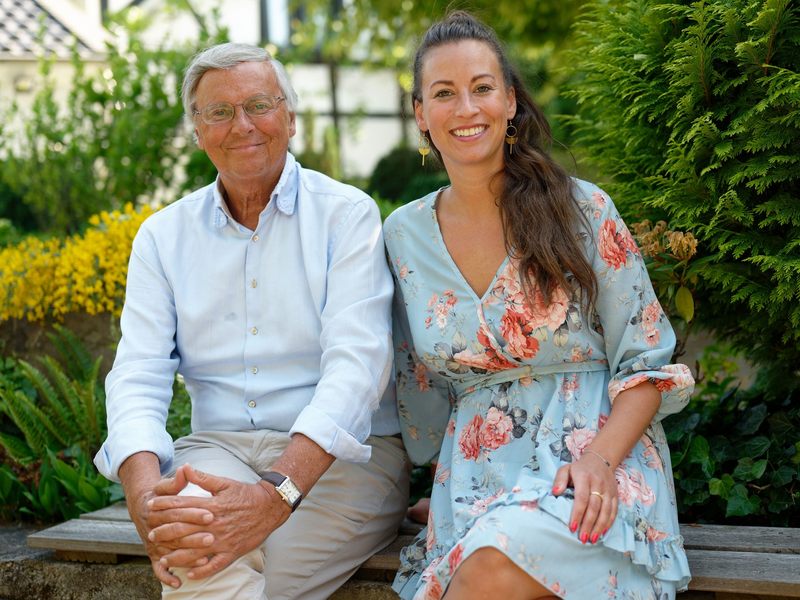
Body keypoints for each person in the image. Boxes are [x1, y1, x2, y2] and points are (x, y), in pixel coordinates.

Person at [384, 11, 694, 600]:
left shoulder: (582, 210)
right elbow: (417, 382)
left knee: (490, 566)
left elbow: (647, 363)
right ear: (422, 114)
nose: (466, 108)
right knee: (483, 560)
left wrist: (599, 461)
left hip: (593, 463)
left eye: (482, 88)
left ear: (510, 103)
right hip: (474, 477)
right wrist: (435, 484)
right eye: (444, 94)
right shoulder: (402, 235)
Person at [94, 42, 410, 600]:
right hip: (214, 450)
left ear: (290, 117)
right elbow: (137, 373)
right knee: (198, 548)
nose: (241, 125)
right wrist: (146, 499)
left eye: (259, 104)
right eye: (218, 111)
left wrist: (275, 494)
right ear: (196, 131)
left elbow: (356, 368)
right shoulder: (163, 238)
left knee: (231, 569)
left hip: (340, 457)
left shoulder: (347, 215)